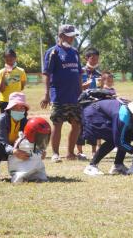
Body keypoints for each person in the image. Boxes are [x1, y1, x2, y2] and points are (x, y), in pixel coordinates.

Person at [82, 97, 133, 176]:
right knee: (113, 140)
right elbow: (118, 142)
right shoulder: (123, 116)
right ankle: (91, 166)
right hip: (94, 114)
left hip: (107, 114)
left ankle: (118, 165)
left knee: (128, 134)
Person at [40, 24, 83, 163]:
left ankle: (70, 153)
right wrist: (46, 94)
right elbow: (46, 74)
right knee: (57, 124)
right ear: (61, 36)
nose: (72, 39)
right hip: (59, 95)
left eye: (73, 37)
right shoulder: (53, 52)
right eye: (69, 36)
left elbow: (79, 73)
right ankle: (55, 154)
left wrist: (81, 92)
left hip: (75, 96)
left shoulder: (75, 52)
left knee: (76, 123)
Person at [0, 92, 31, 182]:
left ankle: (22, 173)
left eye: (22, 107)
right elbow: (2, 142)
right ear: (10, 108)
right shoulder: (1, 120)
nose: (20, 109)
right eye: (16, 106)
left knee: (26, 147)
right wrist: (14, 151)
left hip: (12, 147)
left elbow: (30, 140)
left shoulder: (24, 121)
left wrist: (39, 151)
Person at [76, 47, 102, 160]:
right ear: (86, 58)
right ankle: (79, 152)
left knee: (93, 126)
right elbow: (75, 87)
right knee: (80, 126)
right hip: (81, 102)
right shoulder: (80, 72)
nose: (95, 61)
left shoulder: (98, 73)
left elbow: (101, 89)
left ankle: (93, 151)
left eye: (97, 59)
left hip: (93, 103)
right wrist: (82, 86)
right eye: (92, 59)